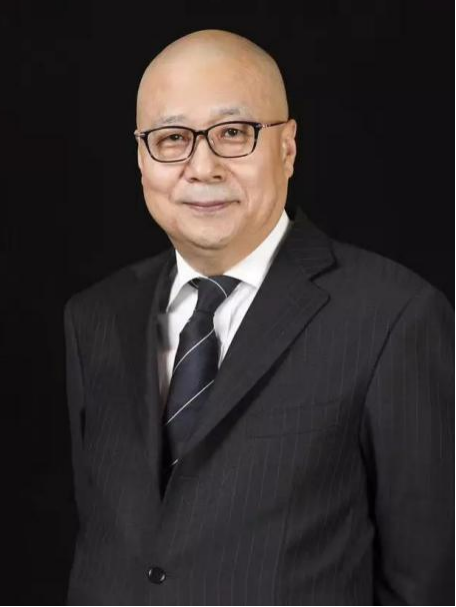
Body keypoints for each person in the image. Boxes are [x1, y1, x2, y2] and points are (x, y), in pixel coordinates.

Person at [63, 29, 455, 606]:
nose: (202, 167)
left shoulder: (395, 317)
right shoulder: (95, 318)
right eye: (172, 139)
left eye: (232, 133)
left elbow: (428, 580)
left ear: (287, 148)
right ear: (142, 159)